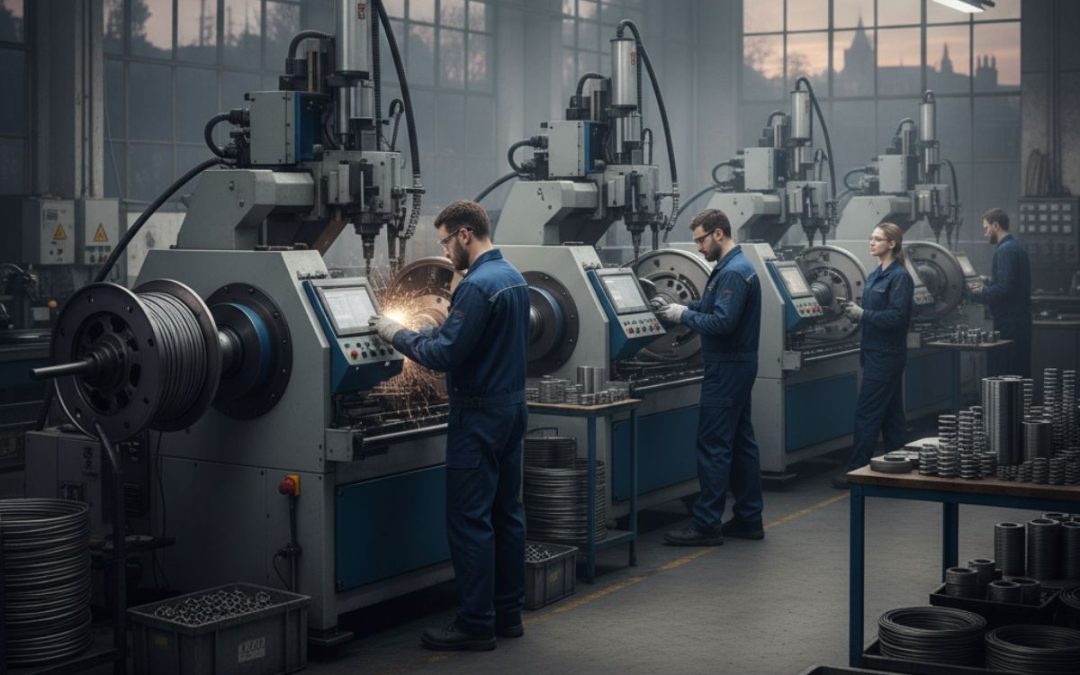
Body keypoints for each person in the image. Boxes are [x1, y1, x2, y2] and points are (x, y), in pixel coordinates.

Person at [373, 200, 529, 651]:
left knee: (470, 521)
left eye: (444, 241)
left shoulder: (478, 287)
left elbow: (444, 354)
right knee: (508, 515)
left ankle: (476, 623)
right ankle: (508, 614)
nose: (444, 253)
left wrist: (395, 333)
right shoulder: (514, 278)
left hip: (478, 415)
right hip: (512, 408)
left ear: (464, 234)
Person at [654, 209, 764, 545]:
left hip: (727, 367)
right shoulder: (733, 268)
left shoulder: (733, 272)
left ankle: (705, 524)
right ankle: (748, 518)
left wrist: (683, 313)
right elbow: (713, 308)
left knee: (714, 445)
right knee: (741, 443)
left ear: (718, 234)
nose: (698, 247)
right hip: (738, 365)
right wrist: (682, 309)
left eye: (701, 239)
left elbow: (723, 323)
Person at [832, 223, 914, 490]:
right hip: (872, 352)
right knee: (891, 415)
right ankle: (899, 464)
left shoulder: (899, 277)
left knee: (866, 413)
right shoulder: (874, 275)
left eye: (877, 239)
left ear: (891, 244)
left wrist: (863, 314)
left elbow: (898, 317)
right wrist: (853, 311)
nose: (871, 243)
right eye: (871, 238)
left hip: (887, 355)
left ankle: (856, 470)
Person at [966, 207, 1032, 377]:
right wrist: (988, 281)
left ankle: (1006, 405)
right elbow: (1011, 282)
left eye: (986, 228)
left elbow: (1004, 289)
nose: (985, 234)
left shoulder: (1005, 250)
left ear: (996, 225)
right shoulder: (1015, 246)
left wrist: (975, 293)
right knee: (1018, 374)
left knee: (1004, 374)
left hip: (1009, 323)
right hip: (1019, 321)